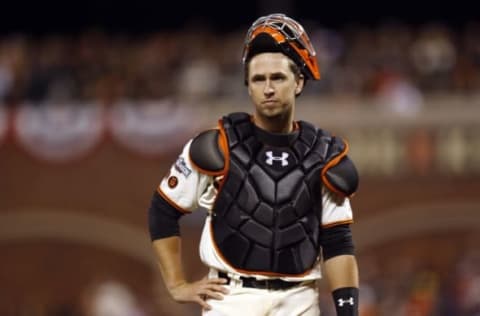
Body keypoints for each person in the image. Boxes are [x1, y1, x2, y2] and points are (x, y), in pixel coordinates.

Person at [148, 13, 360, 316]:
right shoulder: (217, 145)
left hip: (299, 300)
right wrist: (176, 285)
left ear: (299, 81)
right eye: (259, 79)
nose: (268, 88)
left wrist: (347, 311)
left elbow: (338, 241)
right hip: (230, 297)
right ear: (248, 85)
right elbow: (162, 209)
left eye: (278, 78)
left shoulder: (323, 155)